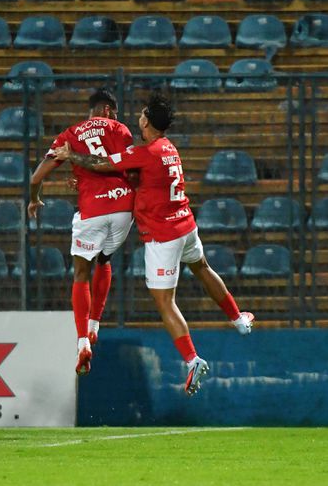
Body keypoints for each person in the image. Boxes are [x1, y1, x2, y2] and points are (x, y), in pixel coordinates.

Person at [53, 93, 255, 396]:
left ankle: (192, 360)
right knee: (202, 267)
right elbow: (142, 180)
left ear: (146, 121)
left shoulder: (145, 152)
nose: (140, 115)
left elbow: (102, 163)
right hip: (186, 223)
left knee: (165, 302)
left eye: (144, 113)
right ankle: (239, 319)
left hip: (164, 236)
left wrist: (73, 158)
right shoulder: (168, 149)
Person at [27, 89, 135, 375]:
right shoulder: (120, 129)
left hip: (92, 211)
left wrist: (34, 197)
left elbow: (36, 176)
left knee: (80, 274)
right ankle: (95, 325)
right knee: (104, 260)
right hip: (124, 207)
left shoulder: (69, 135)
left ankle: (82, 342)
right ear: (109, 110)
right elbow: (130, 168)